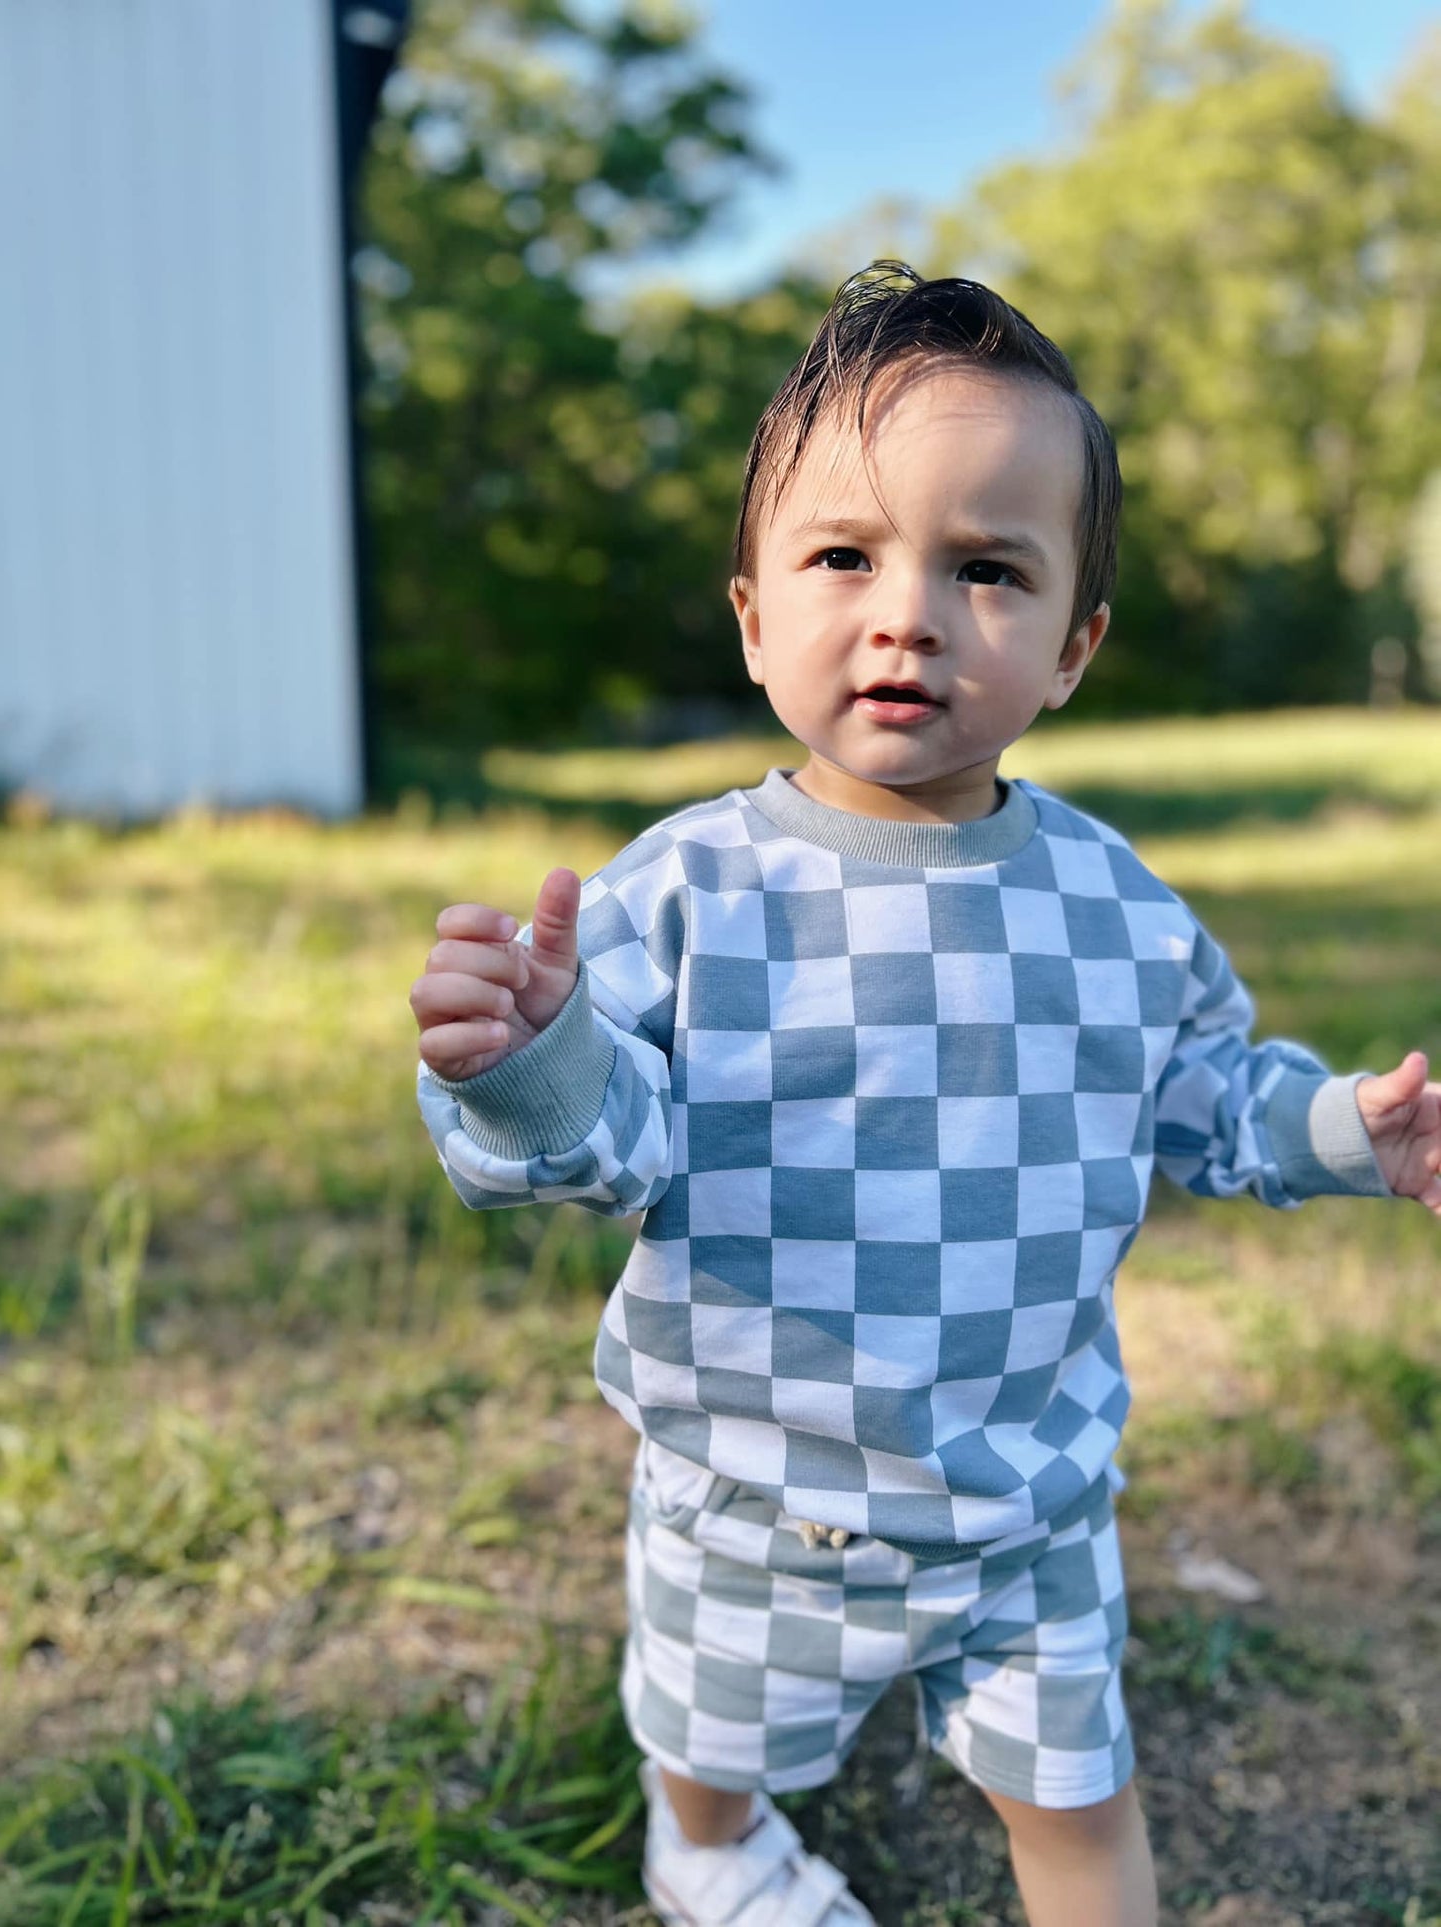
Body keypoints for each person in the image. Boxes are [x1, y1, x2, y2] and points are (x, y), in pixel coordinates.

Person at [409, 264, 1441, 1927]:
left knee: (1081, 1803)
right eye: (842, 556)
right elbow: (612, 1153)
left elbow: (1198, 1097)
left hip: (1023, 1499)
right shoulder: (684, 896)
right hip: (759, 1495)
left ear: (1070, 648)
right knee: (710, 1728)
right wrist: (532, 1070)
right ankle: (710, 1842)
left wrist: (1344, 1132)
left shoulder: (1114, 907)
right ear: (752, 617)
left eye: (985, 568)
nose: (907, 613)